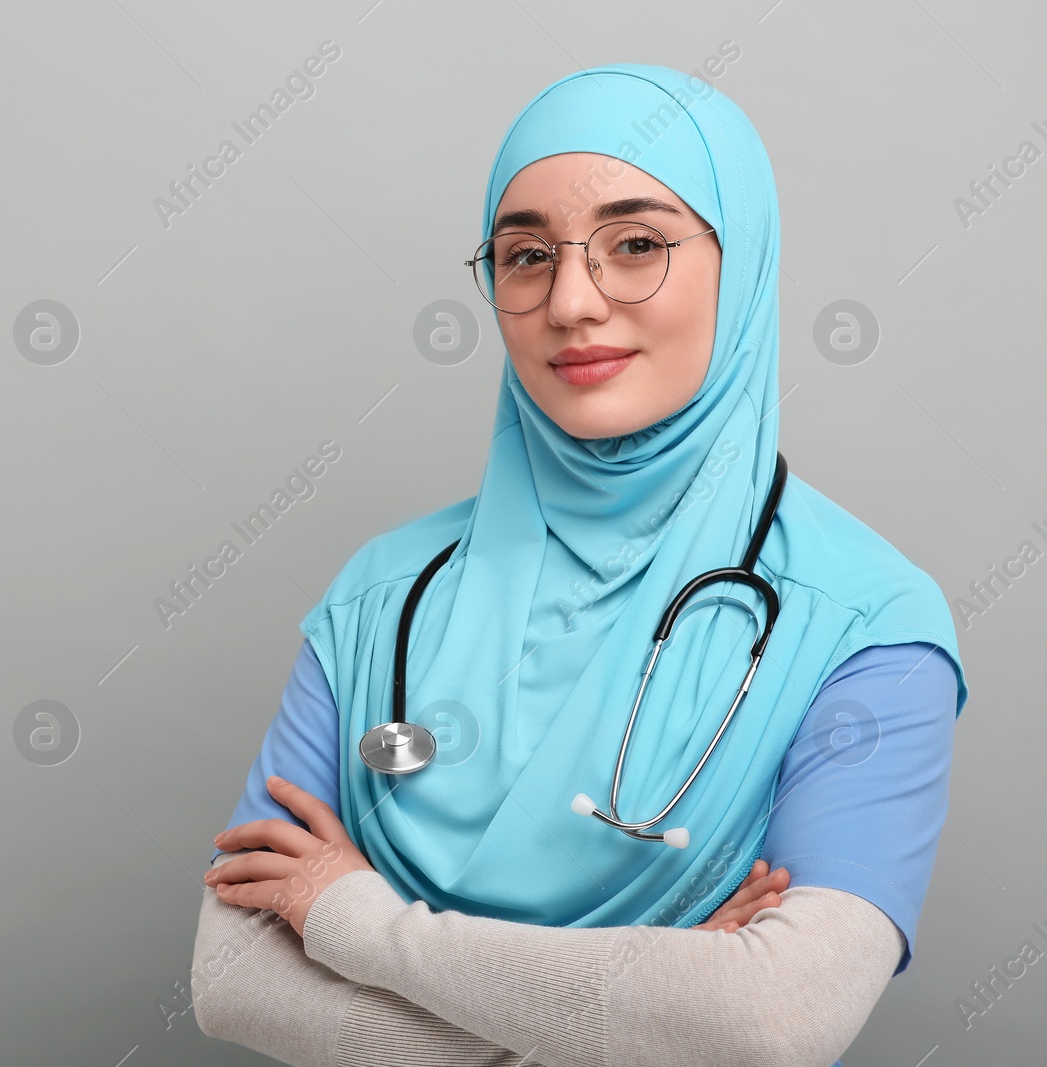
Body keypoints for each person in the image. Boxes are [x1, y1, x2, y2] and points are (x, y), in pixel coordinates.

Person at [189, 63, 969, 1067]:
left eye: (634, 245)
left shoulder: (867, 623)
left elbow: (772, 1020)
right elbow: (226, 980)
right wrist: (632, 1012)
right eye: (524, 256)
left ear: (743, 264)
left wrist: (350, 921)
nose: (568, 302)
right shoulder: (381, 595)